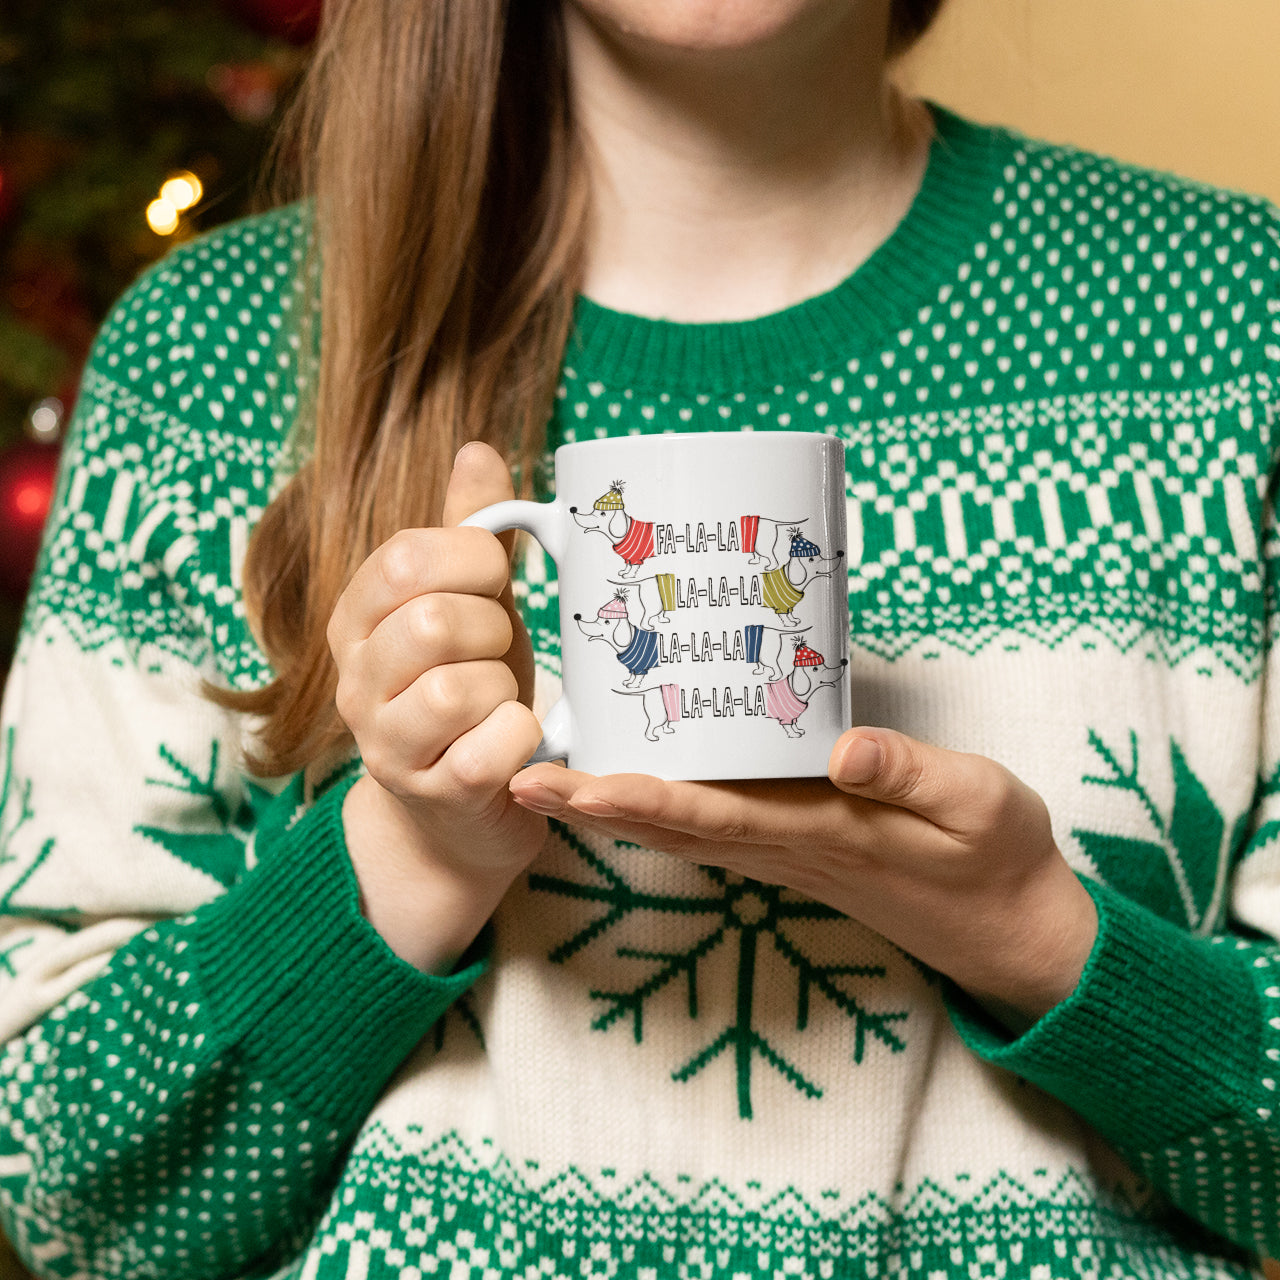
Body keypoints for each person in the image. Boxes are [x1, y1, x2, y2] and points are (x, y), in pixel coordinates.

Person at [1, 0, 1278, 1276]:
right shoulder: (209, 366)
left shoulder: (1231, 327)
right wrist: (409, 852)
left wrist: (1033, 934)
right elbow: (63, 1197)